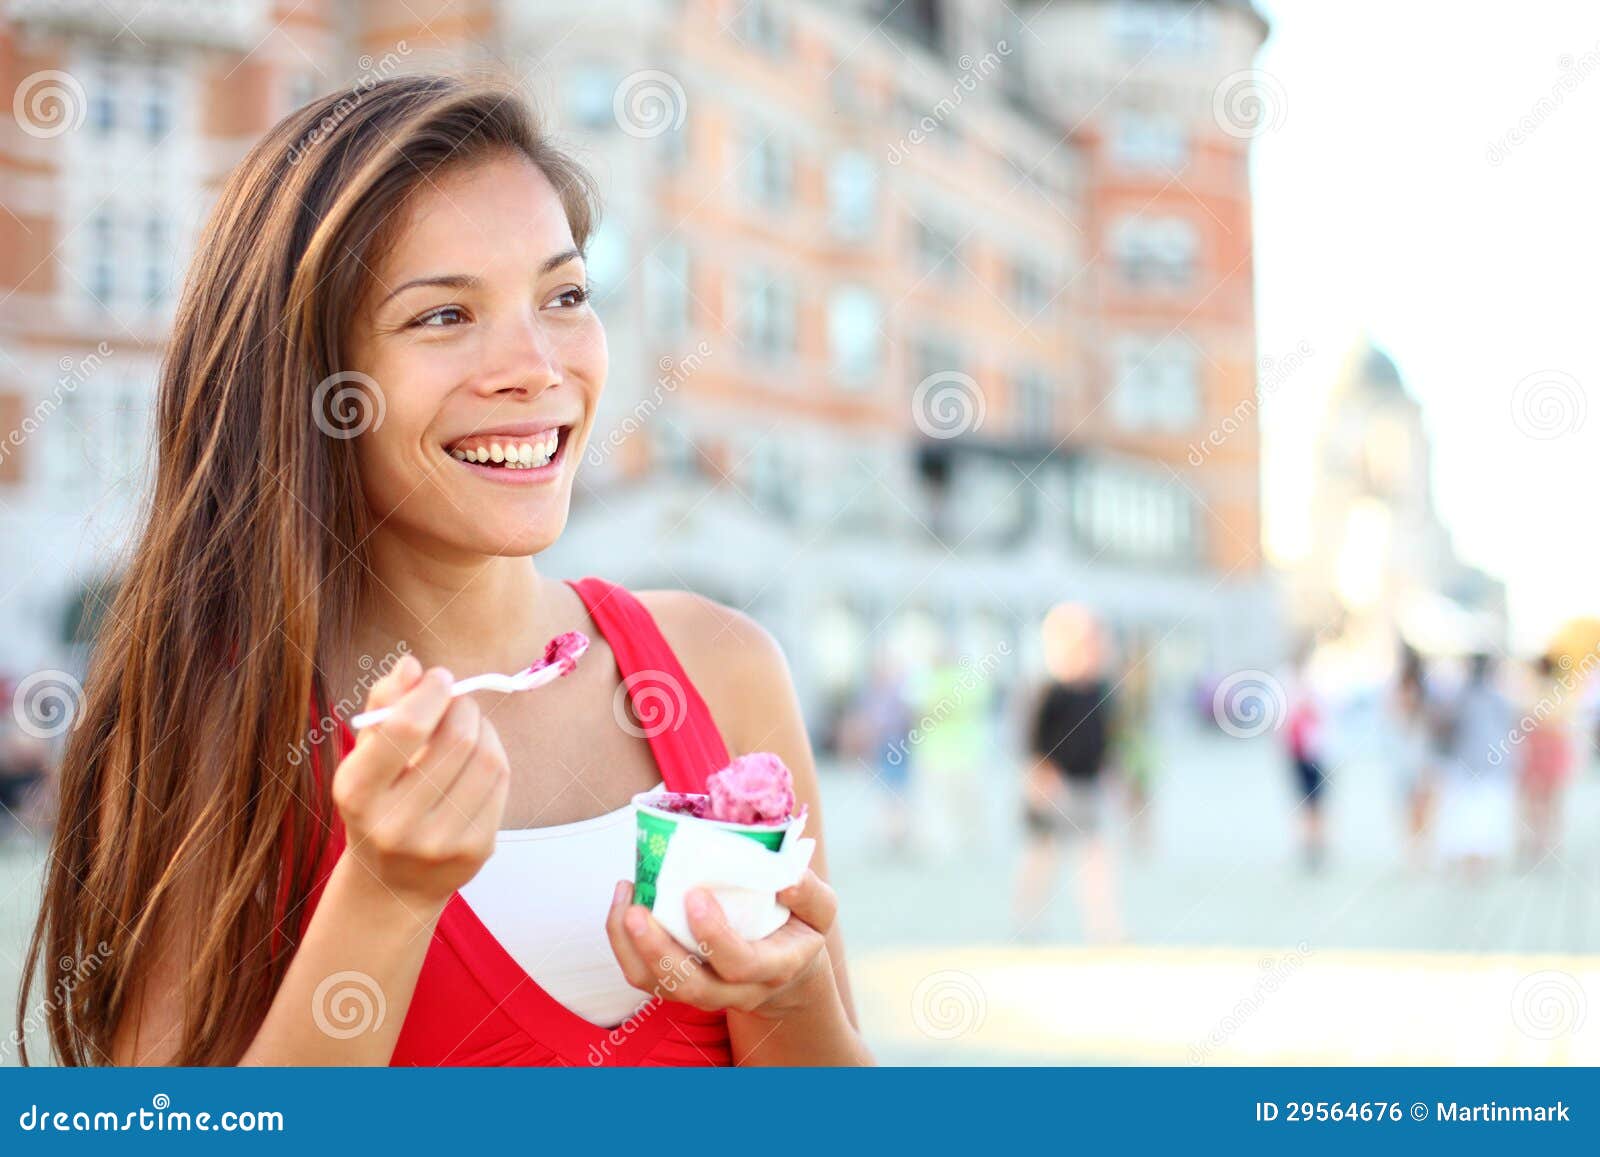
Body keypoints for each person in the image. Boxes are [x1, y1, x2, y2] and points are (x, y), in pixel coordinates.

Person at [21, 75, 869, 1067]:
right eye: (441, 316)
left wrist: (788, 985)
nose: (537, 365)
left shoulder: (722, 667)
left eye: (564, 296)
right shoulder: (222, 716)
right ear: (309, 378)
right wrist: (384, 893)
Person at [1012, 604, 1123, 942]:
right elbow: (1033, 742)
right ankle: (1028, 921)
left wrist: (1111, 773)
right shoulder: (1051, 691)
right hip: (1053, 787)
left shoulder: (1100, 690)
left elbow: (1106, 739)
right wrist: (1039, 778)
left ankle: (1103, 925)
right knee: (1040, 856)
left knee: (1094, 859)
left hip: (1086, 786)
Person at [1430, 652, 1516, 877]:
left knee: (1478, 814)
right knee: (1473, 814)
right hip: (1473, 766)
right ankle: (1472, 861)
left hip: (1479, 766)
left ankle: (1477, 862)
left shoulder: (1470, 696)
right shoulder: (1472, 696)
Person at [1517, 654, 1576, 865]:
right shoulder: (1561, 691)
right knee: (1551, 801)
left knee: (1535, 800)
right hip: (1550, 749)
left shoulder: (1533, 690)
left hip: (1540, 749)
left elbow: (1527, 718)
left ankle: (1537, 843)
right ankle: (1550, 843)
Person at [1388, 645, 1434, 869]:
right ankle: (1417, 851)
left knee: (1418, 806)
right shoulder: (1402, 692)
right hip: (1411, 758)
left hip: (1417, 758)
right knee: (1414, 806)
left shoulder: (1424, 694)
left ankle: (1418, 851)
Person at [1282, 658, 1328, 872]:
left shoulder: (1318, 685)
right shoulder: (1288, 686)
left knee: (1315, 802)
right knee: (1307, 802)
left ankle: (1315, 842)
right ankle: (1309, 843)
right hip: (1300, 754)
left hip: (1316, 753)